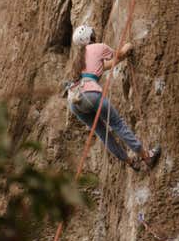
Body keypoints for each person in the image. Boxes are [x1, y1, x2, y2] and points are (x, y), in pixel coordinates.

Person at [67, 25, 160, 171]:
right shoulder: (98, 47)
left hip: (75, 100)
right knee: (118, 125)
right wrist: (128, 46)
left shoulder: (78, 59)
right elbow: (119, 55)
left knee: (103, 133)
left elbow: (107, 65)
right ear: (91, 37)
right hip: (90, 94)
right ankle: (146, 156)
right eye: (93, 33)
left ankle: (130, 162)